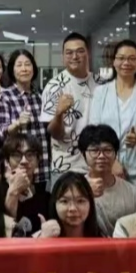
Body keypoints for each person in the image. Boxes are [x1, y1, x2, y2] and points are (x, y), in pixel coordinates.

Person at [88, 39, 136, 180]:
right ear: (114, 61)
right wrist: (112, 161)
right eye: (121, 58)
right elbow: (95, 131)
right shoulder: (101, 92)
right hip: (108, 168)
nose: (126, 63)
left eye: (132, 58)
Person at [41, 33, 98, 175]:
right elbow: (55, 134)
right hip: (66, 166)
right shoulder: (54, 86)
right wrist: (59, 113)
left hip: (99, 163)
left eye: (80, 51)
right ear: (63, 56)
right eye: (69, 53)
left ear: (88, 54)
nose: (75, 56)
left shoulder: (101, 83)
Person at [0, 49, 49, 185]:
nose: (24, 69)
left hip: (43, 165)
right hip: (19, 166)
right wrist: (18, 123)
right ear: (12, 70)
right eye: (19, 65)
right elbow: (1, 133)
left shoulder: (41, 95)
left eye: (27, 64)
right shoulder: (5, 96)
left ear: (33, 68)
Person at [79, 125, 136, 233]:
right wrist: (85, 194)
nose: (101, 156)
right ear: (84, 154)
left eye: (107, 150)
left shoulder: (132, 192)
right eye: (94, 150)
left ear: (115, 154)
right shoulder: (76, 189)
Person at [2, 134, 50, 236]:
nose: (24, 161)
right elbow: (3, 230)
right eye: (17, 155)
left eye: (30, 155)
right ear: (7, 161)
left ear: (38, 160)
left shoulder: (46, 196)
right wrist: (13, 191)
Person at [33, 173, 107, 239]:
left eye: (80, 201)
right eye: (65, 201)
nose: (73, 208)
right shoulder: (40, 238)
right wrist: (43, 240)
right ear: (54, 203)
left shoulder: (102, 239)